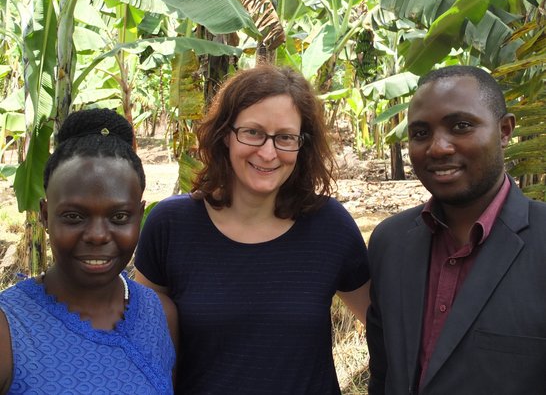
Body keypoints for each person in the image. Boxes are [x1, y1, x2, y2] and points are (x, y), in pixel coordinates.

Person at [134, 64, 370, 394]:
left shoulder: (329, 226)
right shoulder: (172, 225)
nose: (269, 152)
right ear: (225, 134)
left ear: (303, 145)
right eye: (253, 133)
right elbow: (138, 337)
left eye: (285, 137)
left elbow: (384, 329)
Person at [366, 65, 546, 394]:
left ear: (505, 131)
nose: (438, 147)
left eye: (461, 126)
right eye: (420, 133)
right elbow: (383, 374)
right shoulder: (389, 243)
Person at [0, 108, 178, 394]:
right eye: (74, 216)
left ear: (139, 215)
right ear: (45, 215)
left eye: (119, 217)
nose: (97, 235)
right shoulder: (9, 327)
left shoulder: (161, 315)